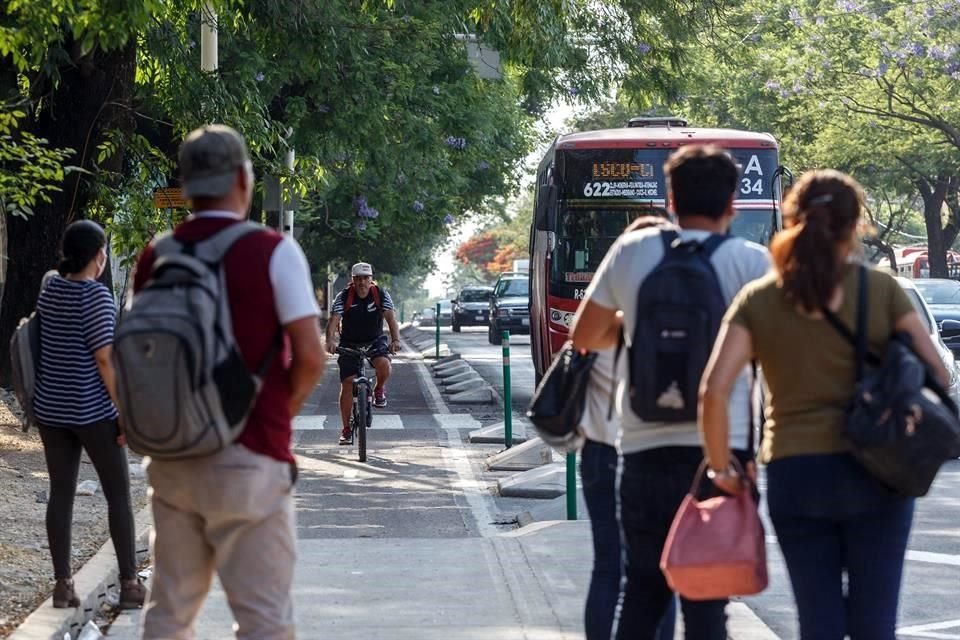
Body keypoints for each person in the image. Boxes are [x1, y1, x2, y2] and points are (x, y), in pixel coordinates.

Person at [699, 169, 947, 640]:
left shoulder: (761, 299)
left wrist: (721, 467)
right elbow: (937, 370)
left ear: (792, 220)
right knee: (876, 623)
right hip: (879, 470)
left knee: (819, 622)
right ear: (857, 225)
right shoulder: (882, 291)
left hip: (796, 471)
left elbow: (714, 389)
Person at [570, 144, 770, 640]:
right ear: (732, 205)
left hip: (642, 450)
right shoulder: (753, 263)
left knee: (641, 591)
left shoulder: (634, 252)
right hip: (722, 454)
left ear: (670, 199)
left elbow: (584, 337)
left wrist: (634, 324)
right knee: (707, 600)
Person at [134, 124, 325, 640]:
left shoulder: (158, 254)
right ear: (244, 178)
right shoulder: (270, 250)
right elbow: (311, 355)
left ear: (189, 185)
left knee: (169, 615)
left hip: (173, 458)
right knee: (263, 620)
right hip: (250, 458)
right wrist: (275, 414)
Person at [32, 220, 145, 609]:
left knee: (61, 493)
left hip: (51, 409)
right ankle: (130, 584)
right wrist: (124, 413)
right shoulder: (95, 296)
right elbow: (103, 359)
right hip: (93, 410)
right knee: (118, 494)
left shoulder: (50, 292)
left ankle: (63, 585)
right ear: (99, 255)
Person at [578, 217, 676, 640]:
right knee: (662, 569)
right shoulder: (676, 323)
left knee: (608, 567)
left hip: (599, 453)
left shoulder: (595, 326)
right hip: (655, 453)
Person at [325, 262, 401, 445]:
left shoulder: (380, 295)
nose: (362, 283)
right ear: (352, 280)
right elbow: (334, 321)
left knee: (384, 365)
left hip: (375, 340)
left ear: (371, 279)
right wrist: (330, 341)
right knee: (347, 383)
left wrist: (396, 340)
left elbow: (391, 319)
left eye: (366, 278)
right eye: (358, 279)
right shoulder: (343, 297)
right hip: (349, 343)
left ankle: (379, 389)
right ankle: (345, 429)